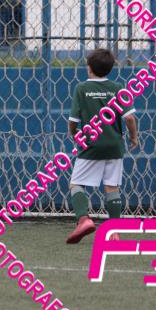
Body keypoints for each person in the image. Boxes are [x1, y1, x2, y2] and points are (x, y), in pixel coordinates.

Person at [66, 48, 139, 244]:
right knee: (111, 187)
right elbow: (129, 118)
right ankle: (114, 232)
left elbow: (73, 120)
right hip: (114, 146)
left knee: (76, 184)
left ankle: (84, 220)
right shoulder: (117, 88)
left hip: (91, 145)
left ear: (89, 68)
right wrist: (133, 137)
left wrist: (73, 133)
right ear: (110, 69)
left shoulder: (81, 88)